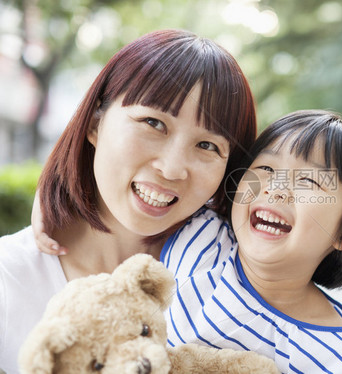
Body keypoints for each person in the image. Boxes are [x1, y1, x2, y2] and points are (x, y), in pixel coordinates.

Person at [0, 29, 256, 373]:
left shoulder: (228, 275)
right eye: (153, 122)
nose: (172, 168)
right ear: (95, 124)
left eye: (208, 145)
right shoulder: (10, 280)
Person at [162, 110, 342, 373]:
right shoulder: (199, 233)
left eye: (309, 180)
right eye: (266, 168)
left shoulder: (337, 358)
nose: (276, 188)